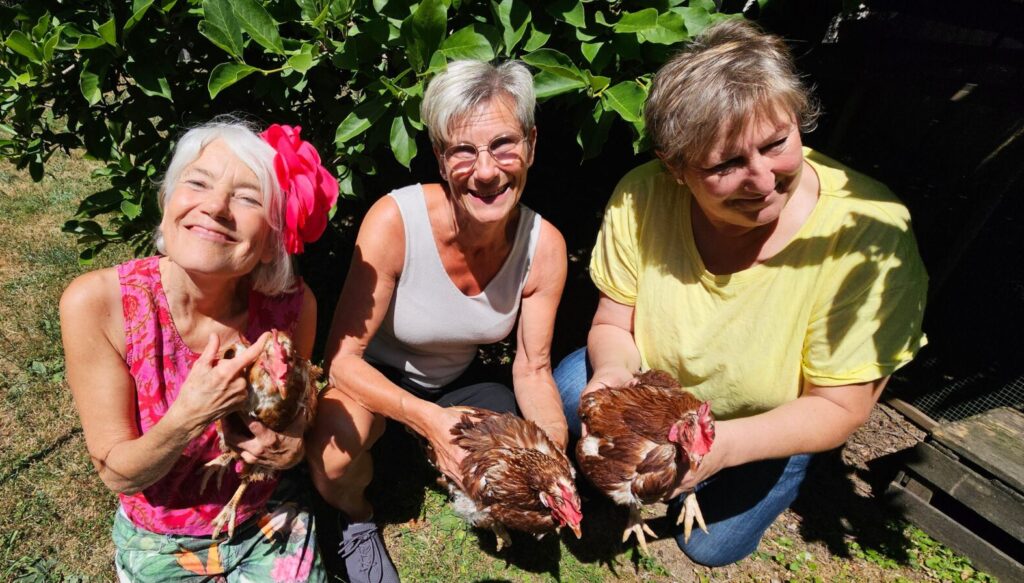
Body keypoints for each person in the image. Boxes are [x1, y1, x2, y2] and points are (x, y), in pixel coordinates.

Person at [554, 20, 928, 567]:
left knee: (710, 547)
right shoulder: (641, 197)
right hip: (657, 392)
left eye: (776, 144)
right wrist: (612, 379)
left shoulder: (869, 234)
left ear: (797, 123)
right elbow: (613, 324)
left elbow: (840, 408)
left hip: (767, 414)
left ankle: (780, 463)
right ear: (675, 168)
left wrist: (721, 447)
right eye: (726, 163)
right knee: (572, 390)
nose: (762, 178)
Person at [307, 60, 568, 582]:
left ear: (533, 144)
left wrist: (554, 454)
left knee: (522, 469)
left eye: (503, 144)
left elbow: (534, 369)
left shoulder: (545, 247)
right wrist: (429, 421)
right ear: (440, 158)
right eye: (463, 150)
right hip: (371, 381)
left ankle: (425, 455)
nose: (487, 171)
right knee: (333, 462)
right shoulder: (394, 221)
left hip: (456, 388)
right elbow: (341, 361)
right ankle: (355, 519)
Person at [60, 119, 338, 580]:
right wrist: (192, 413)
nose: (214, 207)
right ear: (169, 202)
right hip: (161, 537)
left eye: (248, 197)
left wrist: (290, 447)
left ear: (273, 240)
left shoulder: (292, 306)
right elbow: (118, 474)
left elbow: (296, 414)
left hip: (264, 511)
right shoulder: (101, 305)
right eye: (197, 182)